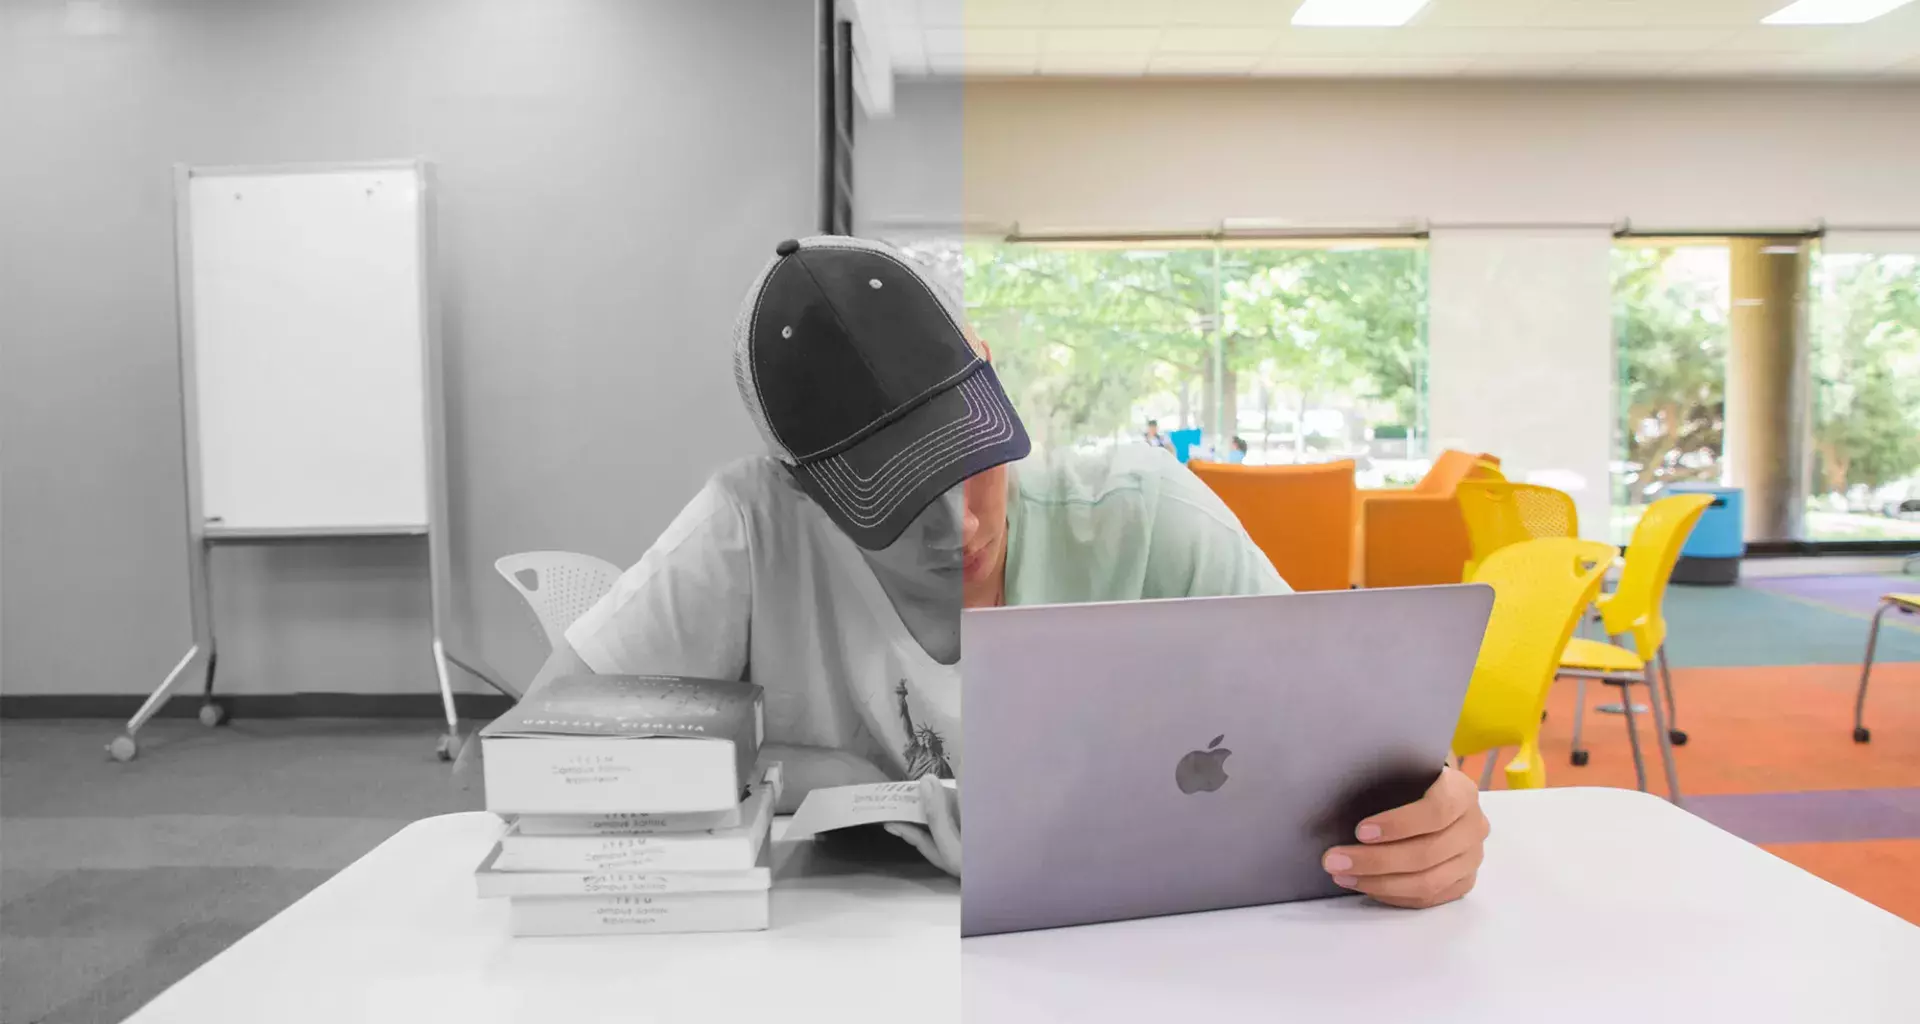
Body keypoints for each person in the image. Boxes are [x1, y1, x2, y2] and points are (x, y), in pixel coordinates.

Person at [557, 237, 1487, 906]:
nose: (959, 525)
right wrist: (804, 770)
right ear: (806, 490)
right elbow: (542, 746)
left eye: (973, 456)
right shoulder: (751, 525)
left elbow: (1356, 741)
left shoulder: (1144, 518)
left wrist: (1430, 816)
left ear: (990, 379)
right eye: (894, 497)